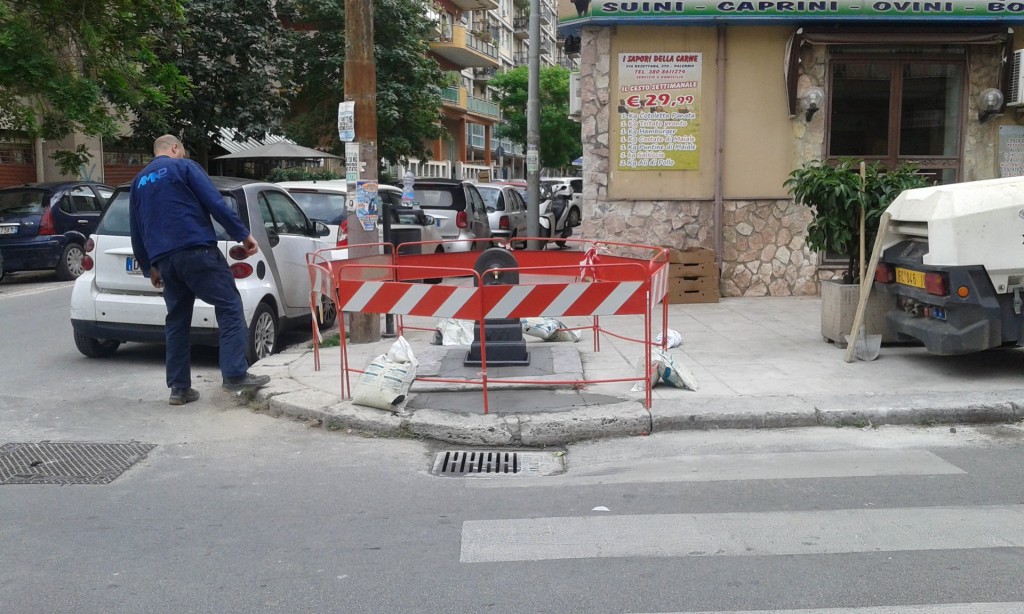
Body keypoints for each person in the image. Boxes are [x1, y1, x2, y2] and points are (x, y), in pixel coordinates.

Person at [129, 135, 270, 406]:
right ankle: (235, 374)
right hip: (196, 250)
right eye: (181, 150)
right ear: (175, 148)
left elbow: (136, 228)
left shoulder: (139, 182)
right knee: (229, 304)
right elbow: (214, 202)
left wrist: (150, 267)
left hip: (165, 260)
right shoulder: (184, 167)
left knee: (177, 319)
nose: (182, 154)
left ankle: (179, 389)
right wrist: (242, 234)